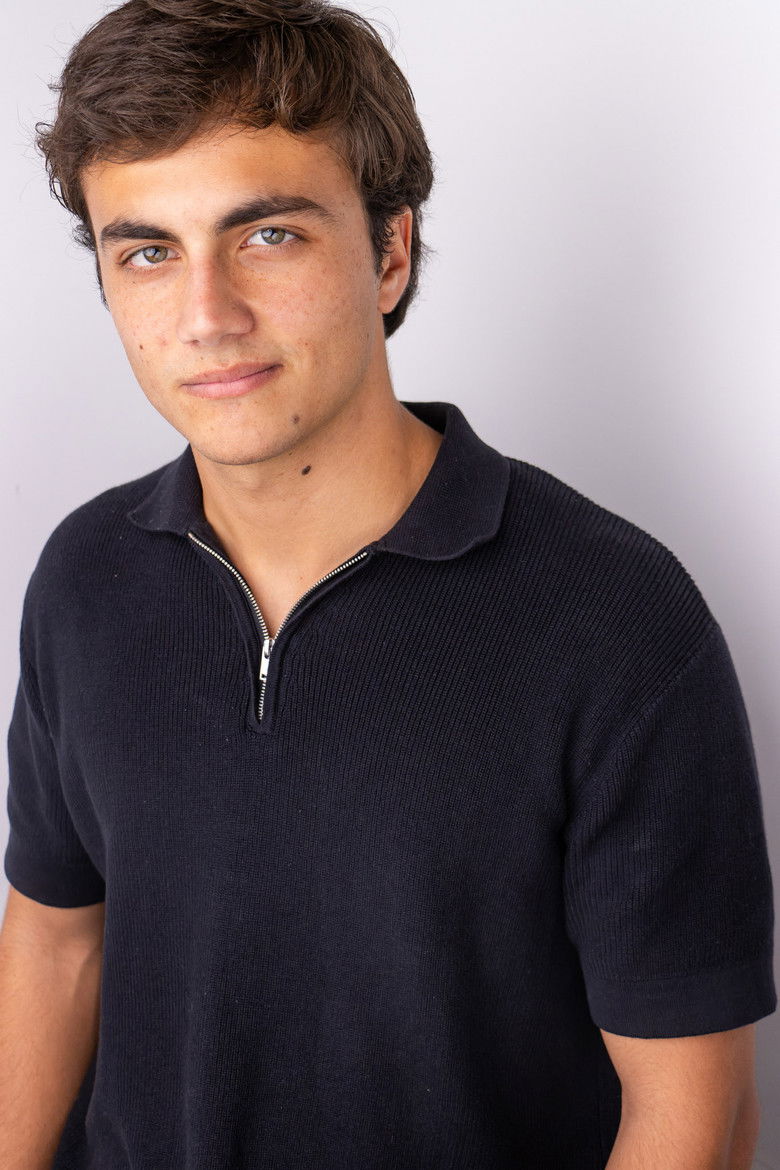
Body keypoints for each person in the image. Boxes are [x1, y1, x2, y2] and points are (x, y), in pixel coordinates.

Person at [1, 1, 775, 1167]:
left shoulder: (615, 619)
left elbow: (693, 1112)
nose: (207, 317)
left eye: (269, 235)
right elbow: (58, 942)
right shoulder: (85, 576)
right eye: (149, 252)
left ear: (391, 252)